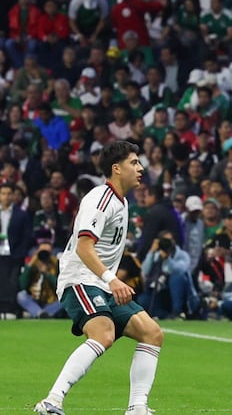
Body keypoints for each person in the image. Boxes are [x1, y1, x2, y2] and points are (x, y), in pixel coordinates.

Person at [35, 141, 164, 415]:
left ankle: (137, 407)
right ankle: (51, 401)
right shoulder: (101, 198)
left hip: (102, 282)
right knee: (103, 333)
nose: (140, 168)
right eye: (134, 162)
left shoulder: (122, 201)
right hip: (79, 278)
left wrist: (110, 280)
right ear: (116, 169)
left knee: (152, 333)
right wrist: (112, 279)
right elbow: (84, 247)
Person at [0, 182, 33, 319]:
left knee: (12, 282)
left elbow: (27, 236)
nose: (6, 197)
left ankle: (11, 309)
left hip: (14, 254)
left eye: (9, 194)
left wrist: (20, 253)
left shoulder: (22, 214)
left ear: (13, 195)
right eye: (3, 194)